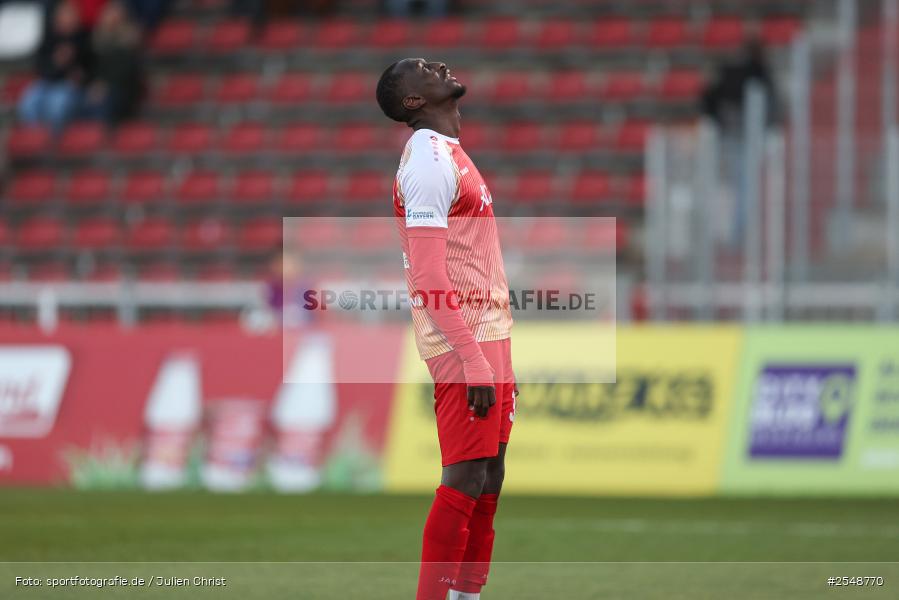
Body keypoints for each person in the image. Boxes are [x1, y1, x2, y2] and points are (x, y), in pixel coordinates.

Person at [377, 58, 517, 600]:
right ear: (413, 102)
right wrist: (474, 358)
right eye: (420, 69)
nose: (435, 64)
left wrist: (497, 352)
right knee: (463, 479)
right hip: (463, 343)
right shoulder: (428, 161)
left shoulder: (449, 154)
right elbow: (432, 275)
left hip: (489, 336)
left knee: (490, 478)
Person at [18, 0, 93, 133]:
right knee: (29, 102)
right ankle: (35, 137)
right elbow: (40, 66)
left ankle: (52, 141)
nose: (66, 18)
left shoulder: (84, 38)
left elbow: (89, 68)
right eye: (63, 14)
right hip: (48, 80)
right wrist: (56, 62)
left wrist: (78, 73)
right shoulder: (49, 38)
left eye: (70, 14)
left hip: (70, 85)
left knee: (57, 104)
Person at [82, 0, 144, 126]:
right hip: (97, 86)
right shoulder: (97, 38)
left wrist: (105, 86)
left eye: (115, 13)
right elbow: (92, 66)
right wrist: (94, 84)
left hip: (122, 89)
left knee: (103, 103)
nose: (112, 17)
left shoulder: (129, 38)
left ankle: (101, 135)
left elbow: (126, 71)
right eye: (109, 13)